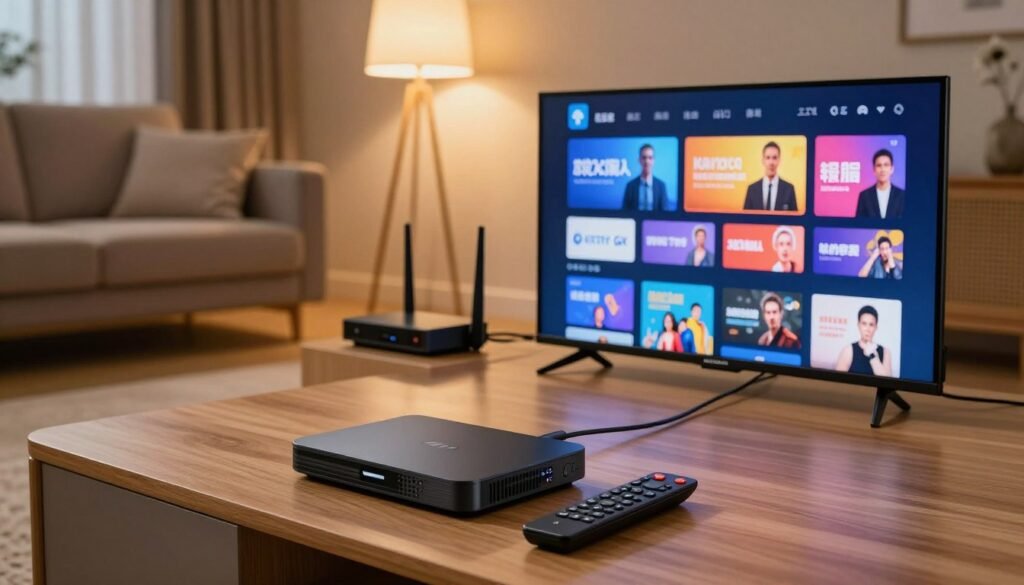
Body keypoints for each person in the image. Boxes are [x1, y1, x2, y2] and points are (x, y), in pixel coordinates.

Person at [834, 305, 893, 376]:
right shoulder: (848, 350)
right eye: (864, 324)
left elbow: (887, 380)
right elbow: (838, 379)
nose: (867, 329)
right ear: (858, 325)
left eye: (871, 325)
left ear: (876, 327)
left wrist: (873, 357)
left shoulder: (885, 352)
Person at [743, 141, 798, 212]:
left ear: (779, 160)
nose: (771, 162)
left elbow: (794, 217)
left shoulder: (789, 189)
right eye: (768, 158)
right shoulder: (752, 189)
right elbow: (745, 217)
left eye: (774, 158)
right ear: (763, 160)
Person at [855, 149, 905, 219]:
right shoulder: (865, 196)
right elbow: (859, 223)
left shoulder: (902, 195)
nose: (882, 169)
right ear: (874, 170)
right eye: (879, 165)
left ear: (892, 169)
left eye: (886, 165)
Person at [622, 144, 671, 211]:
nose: (647, 161)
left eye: (650, 158)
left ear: (653, 160)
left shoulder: (661, 186)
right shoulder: (630, 186)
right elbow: (625, 212)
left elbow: (665, 212)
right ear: (639, 160)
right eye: (644, 158)